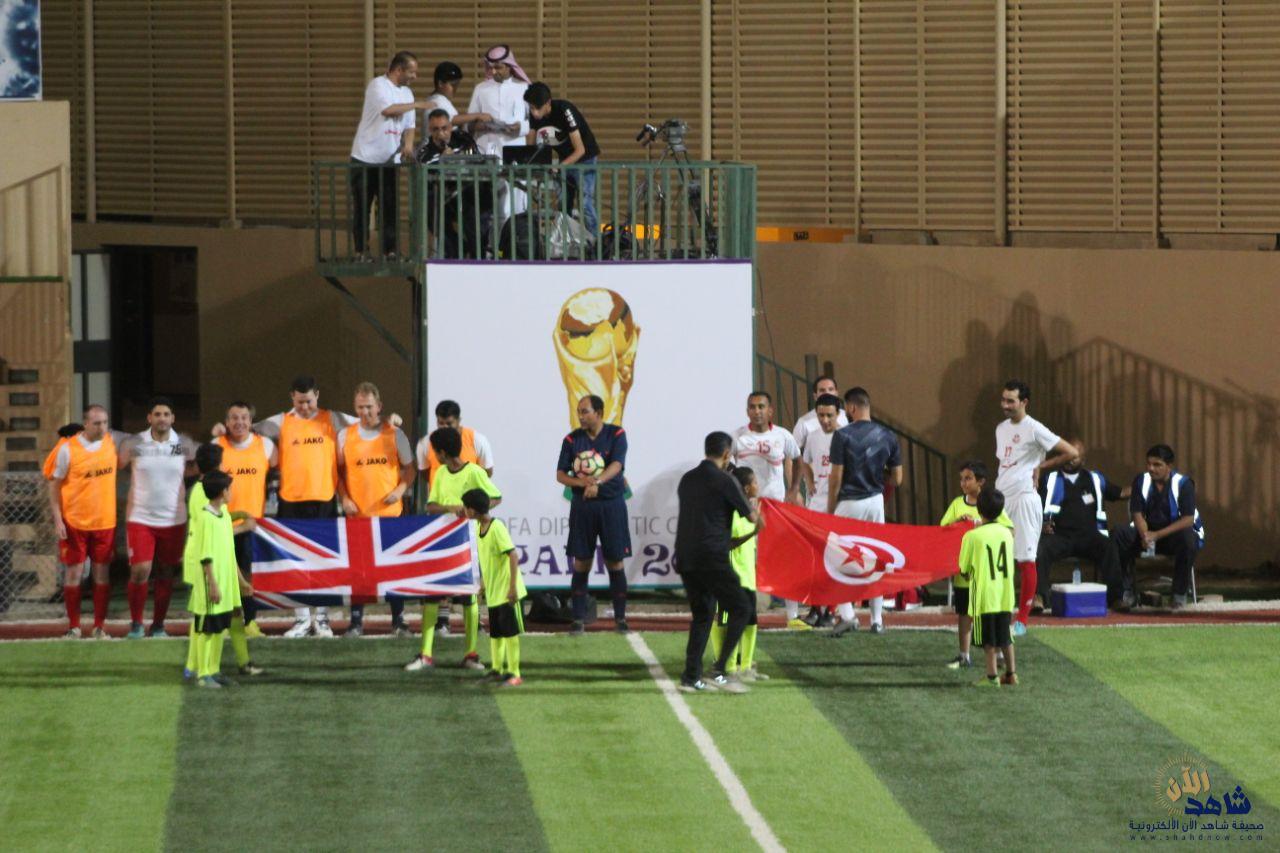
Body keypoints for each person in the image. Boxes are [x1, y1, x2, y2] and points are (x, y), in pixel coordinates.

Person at [217, 375, 362, 638]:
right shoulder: (281, 421)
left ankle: (322, 619)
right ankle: (302, 619)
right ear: (292, 398)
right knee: (293, 561)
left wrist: (391, 420)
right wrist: (221, 428)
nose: (304, 407)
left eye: (309, 401)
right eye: (299, 402)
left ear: (317, 395)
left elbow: (365, 420)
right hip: (291, 502)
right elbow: (246, 427)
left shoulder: (333, 419)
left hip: (324, 500)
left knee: (323, 561)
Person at [406, 427, 502, 672]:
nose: (433, 456)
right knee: (432, 596)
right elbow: (431, 506)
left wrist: (474, 510)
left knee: (469, 597)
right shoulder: (440, 474)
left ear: (442, 452)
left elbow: (496, 497)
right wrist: (451, 508)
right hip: (442, 544)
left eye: (434, 451)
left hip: (468, 545)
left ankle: (471, 654)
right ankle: (426, 654)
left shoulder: (475, 472)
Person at [675, 432, 759, 694]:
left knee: (702, 615)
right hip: (711, 556)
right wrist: (760, 522)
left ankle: (691, 677)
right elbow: (751, 516)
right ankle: (721, 669)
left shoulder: (687, 479)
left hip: (686, 556)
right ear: (726, 454)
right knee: (742, 607)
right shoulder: (726, 480)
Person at [994, 380, 1078, 636]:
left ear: (1024, 402)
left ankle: (1021, 621)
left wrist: (1041, 466)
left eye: (1011, 401)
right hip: (1002, 499)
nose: (1005, 405)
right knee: (1000, 558)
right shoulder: (1001, 428)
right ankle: (1000, 612)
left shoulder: (1034, 428)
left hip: (1025, 500)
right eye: (1003, 400)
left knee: (1026, 559)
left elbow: (1071, 452)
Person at [338, 382, 416, 636]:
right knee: (358, 571)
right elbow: (338, 473)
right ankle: (356, 621)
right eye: (360, 407)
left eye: (369, 407)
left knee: (394, 568)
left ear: (379, 406)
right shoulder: (345, 436)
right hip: (358, 516)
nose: (365, 412)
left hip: (390, 515)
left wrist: (400, 490)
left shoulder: (395, 434)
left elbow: (410, 469)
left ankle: (399, 620)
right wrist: (344, 498)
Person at [118, 397, 198, 639]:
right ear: (149, 418)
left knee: (166, 572)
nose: (162, 418)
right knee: (140, 570)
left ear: (172, 418)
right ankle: (136, 624)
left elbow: (197, 466)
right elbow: (116, 465)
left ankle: (158, 625)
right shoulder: (135, 443)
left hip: (173, 519)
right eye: (157, 414)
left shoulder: (183, 444)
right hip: (140, 517)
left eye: (166, 414)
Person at [183, 444, 263, 680]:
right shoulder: (204, 496)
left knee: (229, 613)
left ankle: (227, 664)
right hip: (206, 564)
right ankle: (198, 668)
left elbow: (221, 520)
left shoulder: (205, 493)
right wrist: (243, 527)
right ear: (218, 464)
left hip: (222, 563)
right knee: (206, 618)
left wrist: (239, 515)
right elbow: (212, 532)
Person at [415, 399, 495, 634]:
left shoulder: (476, 441)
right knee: (442, 570)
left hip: (469, 526)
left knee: (472, 573)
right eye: (440, 423)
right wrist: (447, 505)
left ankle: (475, 620)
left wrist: (474, 507)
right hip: (442, 523)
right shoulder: (430, 447)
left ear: (458, 421)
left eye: (448, 423)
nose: (443, 427)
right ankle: (443, 619)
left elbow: (487, 476)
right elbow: (425, 475)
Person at [46, 405, 126, 639]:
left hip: (105, 523)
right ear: (86, 424)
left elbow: (140, 442)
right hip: (75, 523)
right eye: (97, 423)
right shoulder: (68, 449)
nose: (102, 427)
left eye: (105, 423)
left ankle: (99, 627)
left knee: (102, 575)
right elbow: (54, 485)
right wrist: (57, 519)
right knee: (74, 574)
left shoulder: (112, 442)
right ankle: (74, 627)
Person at [827, 387, 902, 635]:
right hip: (875, 501)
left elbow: (836, 477)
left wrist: (830, 509)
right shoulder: (888, 435)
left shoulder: (842, 435)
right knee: (876, 558)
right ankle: (877, 620)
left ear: (851, 407)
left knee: (835, 558)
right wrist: (878, 482)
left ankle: (848, 615)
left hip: (849, 501)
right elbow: (897, 478)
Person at [555, 394, 631, 636]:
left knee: (615, 561)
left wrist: (597, 482)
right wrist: (580, 483)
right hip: (583, 508)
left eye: (585, 411)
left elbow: (616, 465)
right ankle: (578, 619)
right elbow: (560, 474)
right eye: (579, 411)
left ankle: (620, 618)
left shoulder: (617, 434)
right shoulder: (571, 440)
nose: (580, 416)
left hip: (611, 505)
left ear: (599, 413)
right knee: (582, 562)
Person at [731, 391, 803, 628]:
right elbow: (726, 467)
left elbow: (798, 459)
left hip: (776, 508)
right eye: (752, 407)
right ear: (747, 411)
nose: (757, 411)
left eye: (761, 406)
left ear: (770, 410)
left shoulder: (782, 435)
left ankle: (793, 616)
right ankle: (735, 613)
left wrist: (794, 489)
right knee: (742, 562)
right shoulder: (737, 437)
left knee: (785, 560)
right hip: (747, 510)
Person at [1035, 438, 1129, 611]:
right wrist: (1041, 525)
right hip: (1059, 536)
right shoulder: (1050, 479)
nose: (1070, 459)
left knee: (1109, 546)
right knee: (1041, 548)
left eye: (1075, 456)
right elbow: (1033, 505)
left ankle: (1116, 598)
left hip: (1089, 537)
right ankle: (1039, 597)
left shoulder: (1095, 479)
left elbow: (1121, 493)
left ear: (1083, 460)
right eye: (1066, 454)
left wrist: (1143, 484)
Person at [349, 51, 425, 258]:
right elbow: (388, 110)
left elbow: (410, 125)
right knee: (362, 207)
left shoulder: (407, 93)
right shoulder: (378, 85)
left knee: (389, 207)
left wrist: (408, 145)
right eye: (412, 72)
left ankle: (389, 250)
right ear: (399, 70)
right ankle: (361, 250)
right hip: (365, 158)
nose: (414, 77)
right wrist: (417, 105)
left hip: (389, 160)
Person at [939, 461, 1013, 669]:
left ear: (980, 482)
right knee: (965, 614)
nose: (963, 483)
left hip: (987, 576)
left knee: (990, 615)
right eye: (961, 479)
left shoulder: (990, 504)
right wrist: (957, 523)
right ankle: (965, 654)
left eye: (968, 478)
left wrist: (982, 526)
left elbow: (1009, 529)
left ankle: (997, 656)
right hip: (965, 575)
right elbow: (942, 530)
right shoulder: (957, 504)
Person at [1113, 444, 1204, 609]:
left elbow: (1188, 520)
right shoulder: (1141, 481)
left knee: (1188, 538)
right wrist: (1145, 535)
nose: (1151, 468)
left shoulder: (1184, 484)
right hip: (1148, 537)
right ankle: (1126, 592)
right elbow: (1137, 513)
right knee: (1119, 534)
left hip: (1172, 536)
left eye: (1157, 465)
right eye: (1148, 464)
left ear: (1169, 466)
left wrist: (1157, 535)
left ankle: (1178, 595)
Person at [215, 401, 278, 637]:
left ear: (251, 422)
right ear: (226, 422)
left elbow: (277, 477)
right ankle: (225, 623)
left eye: (244, 418)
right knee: (224, 576)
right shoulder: (217, 446)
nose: (239, 422)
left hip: (253, 525)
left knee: (249, 575)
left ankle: (250, 621)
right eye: (234, 418)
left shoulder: (266, 446)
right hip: (223, 524)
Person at [708, 466, 767, 682]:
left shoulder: (750, 510)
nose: (758, 486)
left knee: (751, 622)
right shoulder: (731, 511)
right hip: (732, 578)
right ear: (746, 487)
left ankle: (746, 667)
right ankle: (729, 668)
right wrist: (754, 531)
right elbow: (727, 543)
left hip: (748, 577)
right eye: (754, 482)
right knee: (726, 622)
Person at [463, 488, 526, 687]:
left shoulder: (496, 527)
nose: (464, 511)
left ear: (472, 510)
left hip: (506, 590)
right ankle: (497, 669)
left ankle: (514, 673)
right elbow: (487, 559)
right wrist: (483, 583)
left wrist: (512, 588)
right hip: (493, 591)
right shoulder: (478, 528)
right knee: (496, 633)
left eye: (465, 507)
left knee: (510, 632)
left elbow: (513, 555)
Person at [958, 487, 1018, 687]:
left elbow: (964, 570)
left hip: (984, 596)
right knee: (1005, 636)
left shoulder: (972, 536)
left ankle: (992, 677)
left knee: (988, 640)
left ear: (979, 509)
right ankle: (1011, 674)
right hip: (1005, 594)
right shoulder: (1007, 534)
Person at [524, 81, 601, 234]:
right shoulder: (534, 116)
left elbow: (580, 150)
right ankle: (566, 240)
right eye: (531, 108)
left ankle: (597, 242)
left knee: (585, 204)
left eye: (538, 108)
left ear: (548, 103)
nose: (535, 113)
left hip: (584, 159)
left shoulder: (564, 110)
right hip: (564, 160)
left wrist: (559, 166)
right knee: (563, 205)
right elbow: (531, 147)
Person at [467, 44, 531, 228]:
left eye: (498, 67)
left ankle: (514, 242)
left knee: (516, 204)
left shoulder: (524, 88)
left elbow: (534, 123)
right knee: (491, 208)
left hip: (515, 153)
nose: (494, 71)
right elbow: (469, 123)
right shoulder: (481, 89)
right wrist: (484, 125)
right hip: (489, 153)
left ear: (510, 66)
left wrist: (519, 128)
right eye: (491, 67)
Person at [798, 392, 843, 626]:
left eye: (829, 415)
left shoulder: (845, 436)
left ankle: (831, 610)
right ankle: (816, 608)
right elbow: (804, 460)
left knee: (835, 558)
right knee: (814, 557)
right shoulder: (813, 437)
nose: (825, 420)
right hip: (816, 504)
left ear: (838, 414)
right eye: (821, 415)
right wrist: (810, 481)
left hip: (838, 505)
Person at [791, 375, 848, 490]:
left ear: (836, 393)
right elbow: (791, 456)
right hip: (817, 488)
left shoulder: (847, 417)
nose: (827, 393)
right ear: (815, 395)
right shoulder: (804, 422)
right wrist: (794, 489)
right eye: (822, 390)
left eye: (830, 389)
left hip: (843, 487)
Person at [422, 60, 492, 128]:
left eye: (457, 85)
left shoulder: (441, 100)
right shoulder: (435, 101)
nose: (455, 89)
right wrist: (477, 116)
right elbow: (450, 120)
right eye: (453, 85)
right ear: (440, 83)